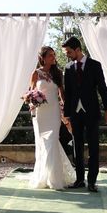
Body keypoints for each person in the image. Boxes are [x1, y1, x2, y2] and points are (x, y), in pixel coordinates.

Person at [61, 36, 107, 192]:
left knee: (93, 146)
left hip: (92, 112)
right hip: (75, 114)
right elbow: (68, 94)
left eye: (69, 52)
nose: (67, 55)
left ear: (77, 49)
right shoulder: (68, 68)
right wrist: (67, 115)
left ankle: (91, 181)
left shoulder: (95, 65)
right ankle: (79, 180)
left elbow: (103, 89)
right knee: (77, 146)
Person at [27, 46, 77, 189]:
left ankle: (55, 179)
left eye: (54, 55)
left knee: (53, 140)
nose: (53, 58)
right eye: (50, 55)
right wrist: (32, 100)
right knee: (45, 143)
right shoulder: (36, 74)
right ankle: (46, 176)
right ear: (42, 58)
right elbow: (30, 92)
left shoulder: (58, 73)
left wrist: (66, 111)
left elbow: (62, 94)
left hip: (54, 111)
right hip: (41, 113)